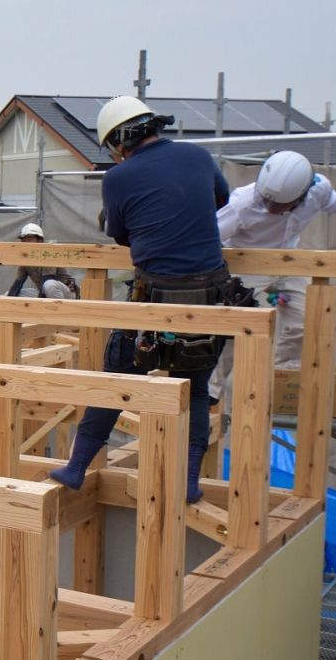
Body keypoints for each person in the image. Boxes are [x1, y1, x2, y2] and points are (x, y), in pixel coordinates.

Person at [49, 95, 235, 504]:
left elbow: (120, 235)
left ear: (118, 142)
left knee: (118, 378)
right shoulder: (199, 157)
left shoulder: (118, 178)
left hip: (156, 297)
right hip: (209, 295)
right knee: (197, 387)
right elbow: (222, 201)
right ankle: (188, 482)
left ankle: (77, 467)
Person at [211, 151, 336, 397]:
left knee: (306, 320)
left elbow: (334, 202)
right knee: (231, 328)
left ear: (301, 196)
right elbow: (210, 237)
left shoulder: (317, 190)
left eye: (278, 205)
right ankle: (212, 391)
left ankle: (275, 376)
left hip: (289, 263)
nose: (270, 207)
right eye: (267, 201)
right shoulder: (243, 203)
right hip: (247, 265)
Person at [5, 222, 79, 299]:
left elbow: (47, 279)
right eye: (24, 239)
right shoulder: (26, 260)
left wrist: (40, 304)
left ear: (40, 240)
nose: (26, 241)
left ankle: (59, 310)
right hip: (44, 292)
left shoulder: (48, 253)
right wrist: (8, 300)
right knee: (9, 295)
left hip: (65, 293)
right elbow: (18, 283)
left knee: (49, 285)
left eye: (30, 238)